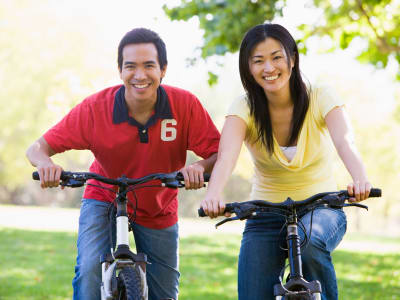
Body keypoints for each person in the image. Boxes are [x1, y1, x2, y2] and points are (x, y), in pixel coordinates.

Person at [26, 28, 220, 300]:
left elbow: (218, 153)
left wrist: (199, 167)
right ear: (119, 71)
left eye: (149, 66)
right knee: (90, 272)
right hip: (104, 195)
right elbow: (36, 148)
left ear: (163, 69)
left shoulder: (184, 105)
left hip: (159, 204)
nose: (140, 75)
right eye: (131, 66)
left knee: (165, 292)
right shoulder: (96, 108)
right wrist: (46, 164)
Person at [201, 23, 372, 300]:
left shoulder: (320, 95)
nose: (269, 68)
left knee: (310, 242)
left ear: (292, 58)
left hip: (321, 207)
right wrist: (213, 194)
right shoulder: (243, 107)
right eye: (258, 61)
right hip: (265, 212)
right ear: (248, 67)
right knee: (253, 293)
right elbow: (227, 156)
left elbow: (345, 141)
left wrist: (360, 178)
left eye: (276, 57)